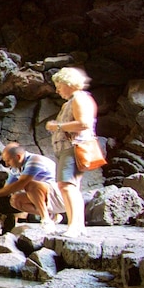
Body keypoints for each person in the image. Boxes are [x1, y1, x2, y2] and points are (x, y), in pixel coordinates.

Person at [45, 66, 98, 237]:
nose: (57, 89)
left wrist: (57, 126)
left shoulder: (79, 99)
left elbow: (84, 124)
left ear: (68, 83)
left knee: (68, 186)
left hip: (73, 147)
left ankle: (75, 226)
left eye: (59, 85)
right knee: (67, 186)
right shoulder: (74, 100)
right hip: (67, 148)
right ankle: (76, 225)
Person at [0, 143, 66, 231]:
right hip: (48, 200)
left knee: (29, 185)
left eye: (8, 160)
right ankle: (53, 216)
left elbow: (21, 183)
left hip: (60, 197)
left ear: (18, 157)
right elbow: (7, 189)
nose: (6, 165)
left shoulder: (34, 160)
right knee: (15, 200)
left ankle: (46, 220)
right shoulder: (16, 168)